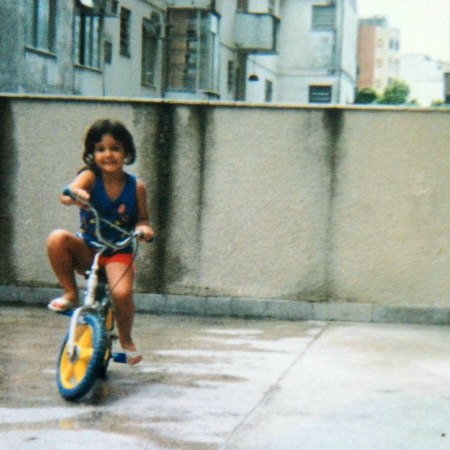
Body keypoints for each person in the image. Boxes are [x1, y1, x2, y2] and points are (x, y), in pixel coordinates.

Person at [46, 119, 154, 365]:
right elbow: (66, 194)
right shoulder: (89, 177)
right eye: (100, 149)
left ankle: (126, 339)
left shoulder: (136, 187)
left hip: (118, 251)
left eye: (115, 148)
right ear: (92, 153)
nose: (108, 154)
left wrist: (144, 228)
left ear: (126, 152)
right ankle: (70, 293)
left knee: (122, 293)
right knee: (56, 239)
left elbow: (143, 219)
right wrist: (75, 195)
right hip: (89, 248)